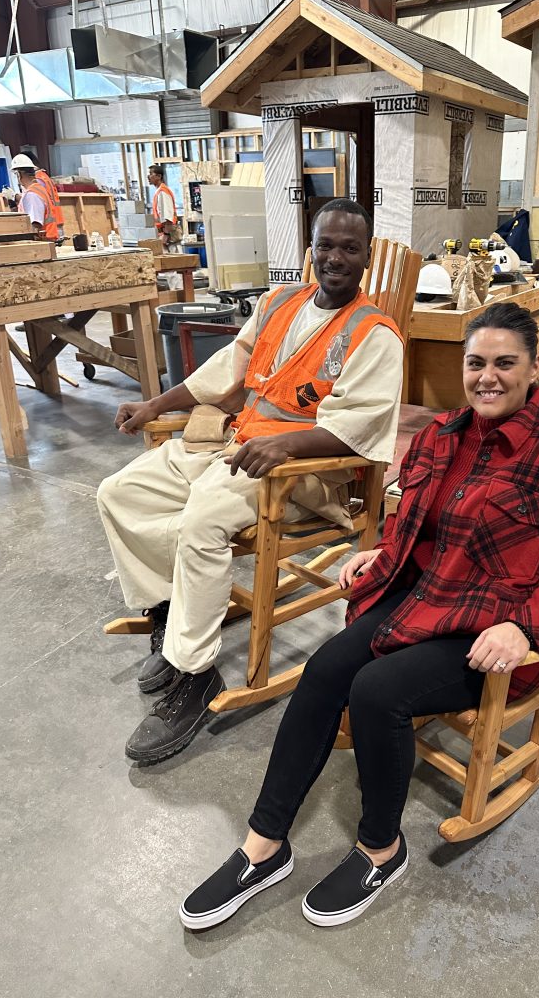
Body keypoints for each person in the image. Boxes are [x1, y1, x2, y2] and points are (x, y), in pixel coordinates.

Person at [178, 301, 539, 931]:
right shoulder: (444, 435)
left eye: (505, 363)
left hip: (490, 630)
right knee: (324, 671)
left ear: (536, 367)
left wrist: (526, 626)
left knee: (377, 692)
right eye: (476, 363)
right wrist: (381, 554)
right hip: (420, 599)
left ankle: (380, 850)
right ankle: (265, 844)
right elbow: (418, 525)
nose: (488, 377)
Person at [97, 200, 404, 763]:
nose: (335, 258)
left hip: (305, 474)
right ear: (311, 248)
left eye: (350, 248)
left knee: (203, 521)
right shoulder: (278, 302)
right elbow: (221, 376)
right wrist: (154, 404)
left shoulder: (375, 335)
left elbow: (361, 430)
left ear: (363, 257)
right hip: (237, 446)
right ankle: (171, 615)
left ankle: (195, 672)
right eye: (326, 245)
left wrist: (285, 443)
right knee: (119, 492)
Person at [10, 154, 59, 241]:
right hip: (47, 240)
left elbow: (35, 224)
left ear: (19, 175)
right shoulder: (39, 190)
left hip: (41, 243)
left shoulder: (32, 194)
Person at [19, 151, 65, 242]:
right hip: (55, 226)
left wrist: (15, 197)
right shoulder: (44, 177)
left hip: (47, 232)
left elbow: (36, 216)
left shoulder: (36, 184)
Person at [148, 164, 180, 251]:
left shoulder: (163, 192)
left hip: (169, 235)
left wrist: (166, 235)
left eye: (151, 174)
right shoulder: (159, 191)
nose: (148, 177)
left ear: (159, 176)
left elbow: (168, 216)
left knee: (173, 257)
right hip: (164, 232)